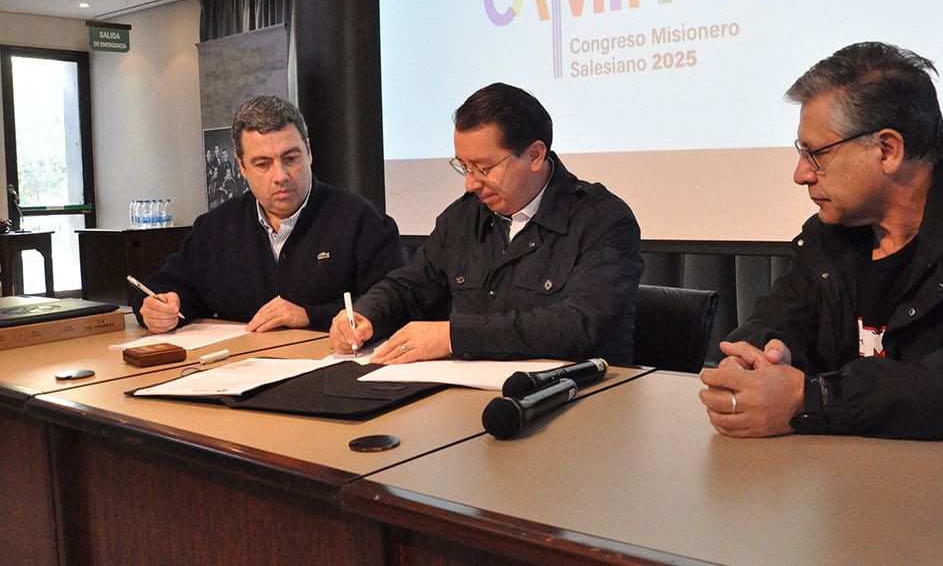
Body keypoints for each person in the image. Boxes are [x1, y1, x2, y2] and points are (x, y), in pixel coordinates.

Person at [699, 42, 943, 441]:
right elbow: (774, 321)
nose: (801, 175)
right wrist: (752, 359)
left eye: (816, 154)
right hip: (852, 470)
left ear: (888, 150)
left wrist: (813, 400)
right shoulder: (829, 239)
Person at [329, 82, 643, 364]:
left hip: (579, 393)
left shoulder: (603, 220)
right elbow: (411, 286)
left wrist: (453, 337)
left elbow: (579, 324)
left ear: (535, 155)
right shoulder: (462, 218)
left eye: (484, 168)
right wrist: (366, 314)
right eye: (464, 167)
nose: (471, 184)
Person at [135, 95, 401, 333]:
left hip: (331, 362)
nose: (280, 176)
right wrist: (158, 307)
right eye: (263, 164)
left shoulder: (362, 220)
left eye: (291, 159)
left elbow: (395, 303)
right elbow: (166, 287)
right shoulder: (216, 227)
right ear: (241, 167)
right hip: (236, 364)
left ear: (309, 152)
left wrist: (309, 315)